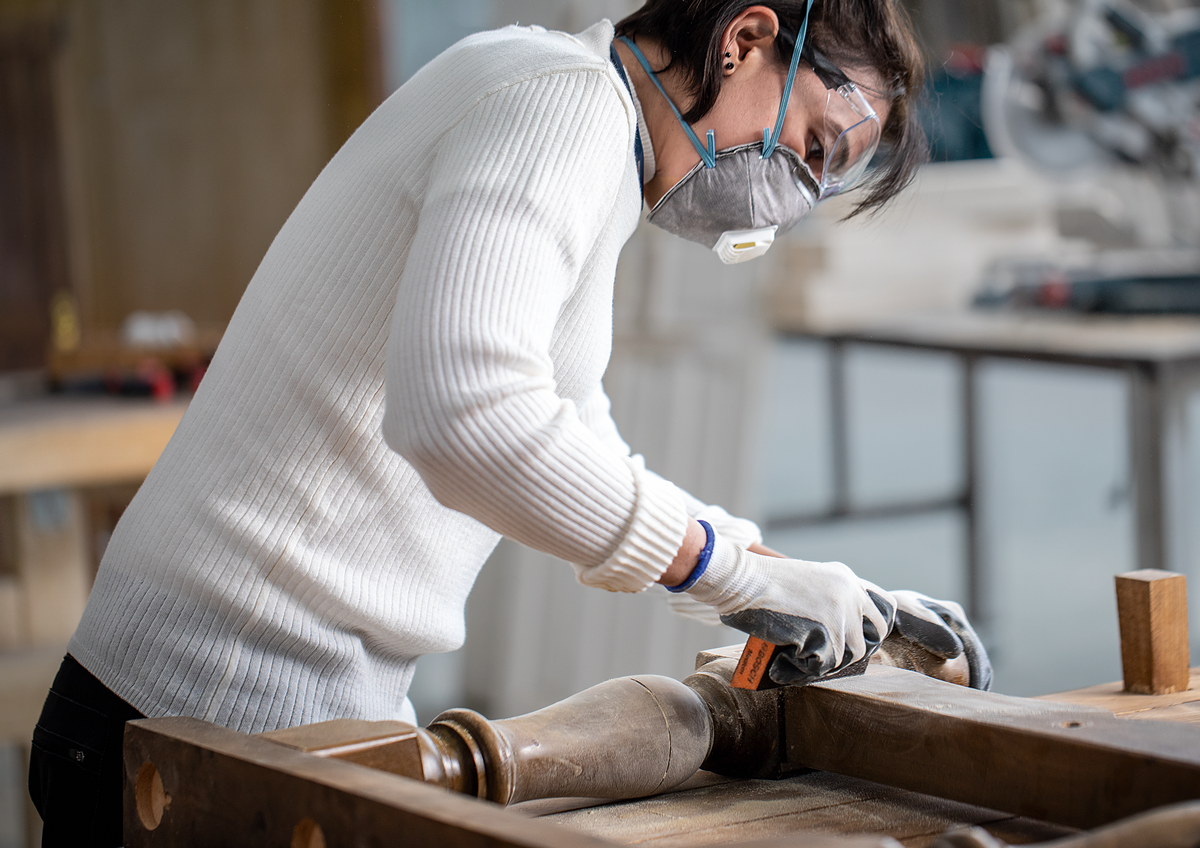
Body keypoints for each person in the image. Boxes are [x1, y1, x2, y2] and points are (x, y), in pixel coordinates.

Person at [29, 0, 990, 844]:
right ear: (745, 39)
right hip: (202, 710)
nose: (793, 196)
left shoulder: (580, 121)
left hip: (262, 705)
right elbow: (465, 413)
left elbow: (569, 424)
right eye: (814, 147)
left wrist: (777, 577)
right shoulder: (559, 106)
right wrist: (730, 573)